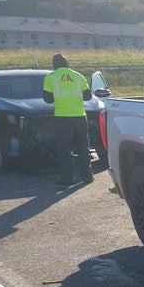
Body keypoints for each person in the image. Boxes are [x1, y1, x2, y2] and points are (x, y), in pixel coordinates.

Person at [42, 53, 94, 187]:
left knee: (65, 150)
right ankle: (87, 176)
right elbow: (88, 97)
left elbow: (48, 99)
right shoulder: (78, 76)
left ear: (54, 65)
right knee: (83, 147)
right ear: (67, 63)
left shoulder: (51, 77)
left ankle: (68, 178)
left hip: (62, 118)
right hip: (80, 116)